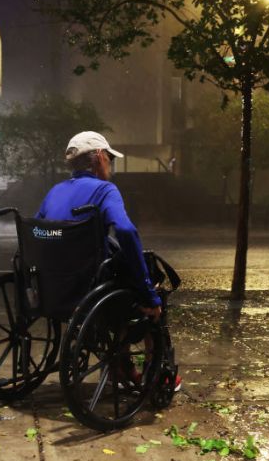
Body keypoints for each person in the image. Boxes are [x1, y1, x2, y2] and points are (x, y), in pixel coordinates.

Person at [36, 131, 180, 391]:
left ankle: (121, 367)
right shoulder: (104, 190)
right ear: (100, 158)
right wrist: (149, 294)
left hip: (54, 287)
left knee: (122, 274)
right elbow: (125, 232)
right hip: (89, 287)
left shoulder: (55, 191)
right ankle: (155, 372)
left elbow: (38, 231)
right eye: (110, 159)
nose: (110, 165)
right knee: (150, 293)